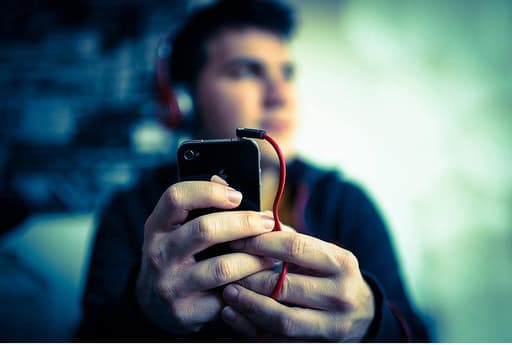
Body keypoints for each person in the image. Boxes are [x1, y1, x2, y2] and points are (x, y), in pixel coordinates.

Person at [77, 0, 430, 341]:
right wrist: (142, 313)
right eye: (247, 71)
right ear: (183, 101)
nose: (280, 96)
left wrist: (370, 322)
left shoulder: (344, 203)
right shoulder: (128, 212)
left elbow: (419, 336)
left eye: (286, 74)